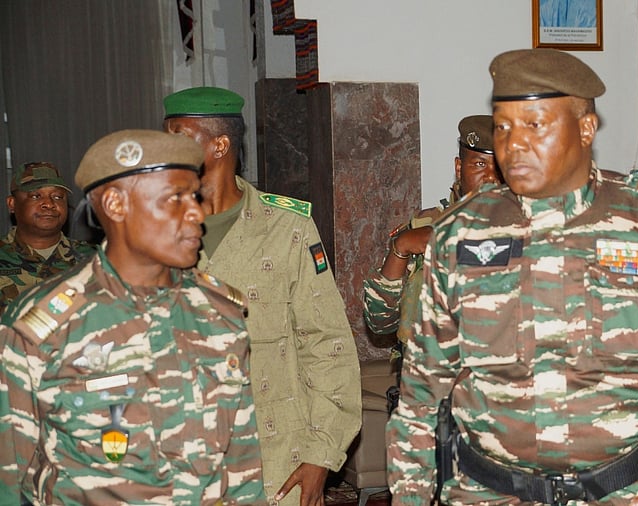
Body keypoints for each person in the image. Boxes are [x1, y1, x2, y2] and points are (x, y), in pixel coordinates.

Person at [386, 48, 638, 505]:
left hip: (628, 493)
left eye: (535, 125)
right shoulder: (461, 232)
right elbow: (422, 393)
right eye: (503, 126)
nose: (514, 144)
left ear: (586, 128)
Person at [0, 130, 264, 505]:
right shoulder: (43, 327)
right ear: (115, 205)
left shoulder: (218, 312)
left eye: (195, 196)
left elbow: (243, 469)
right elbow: (11, 481)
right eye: (176, 198)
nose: (196, 213)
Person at [163, 86, 361, 505]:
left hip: (274, 462)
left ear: (219, 145)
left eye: (178, 136)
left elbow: (328, 345)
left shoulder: (287, 229)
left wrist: (321, 454)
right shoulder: (153, 230)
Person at [363, 114, 500, 347]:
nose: (491, 177)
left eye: (501, 167)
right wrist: (401, 247)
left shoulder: (532, 229)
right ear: (459, 167)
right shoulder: (424, 225)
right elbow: (380, 322)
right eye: (479, 164)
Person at [0, 161, 95, 314]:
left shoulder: (93, 259)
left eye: (57, 197)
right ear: (12, 204)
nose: (49, 204)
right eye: (36, 196)